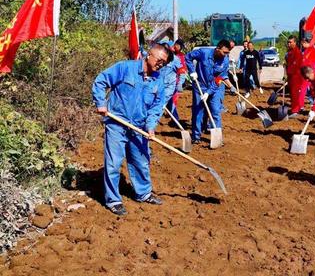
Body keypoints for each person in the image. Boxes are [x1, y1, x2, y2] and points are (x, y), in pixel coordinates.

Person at [92, 43, 172, 216]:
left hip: (139, 127)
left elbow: (157, 107)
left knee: (141, 161)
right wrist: (101, 103)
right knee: (113, 163)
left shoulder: (158, 81)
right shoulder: (124, 68)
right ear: (149, 55)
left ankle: (143, 193)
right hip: (117, 124)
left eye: (164, 63)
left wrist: (150, 126)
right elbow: (101, 80)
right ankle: (113, 200)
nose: (161, 64)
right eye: (159, 60)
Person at [185, 39, 231, 144]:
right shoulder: (203, 52)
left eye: (228, 53)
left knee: (215, 110)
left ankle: (218, 138)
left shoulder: (225, 61)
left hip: (214, 87)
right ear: (218, 48)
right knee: (198, 111)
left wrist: (208, 92)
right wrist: (192, 72)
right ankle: (196, 137)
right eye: (224, 52)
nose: (225, 55)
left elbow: (220, 78)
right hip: (199, 85)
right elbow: (188, 57)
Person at [166, 39, 187, 123]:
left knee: (172, 99)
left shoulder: (181, 56)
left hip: (174, 81)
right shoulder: (167, 52)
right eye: (180, 47)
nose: (180, 49)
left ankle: (175, 118)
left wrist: (180, 83)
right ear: (176, 45)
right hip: (164, 80)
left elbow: (183, 70)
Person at [285, 35, 304, 117]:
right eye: (288, 42)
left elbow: (295, 66)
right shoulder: (290, 52)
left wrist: (288, 71)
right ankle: (296, 108)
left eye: (290, 42)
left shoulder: (297, 53)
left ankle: (295, 110)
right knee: (292, 94)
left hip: (296, 76)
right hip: (291, 76)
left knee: (295, 94)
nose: (288, 44)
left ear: (295, 43)